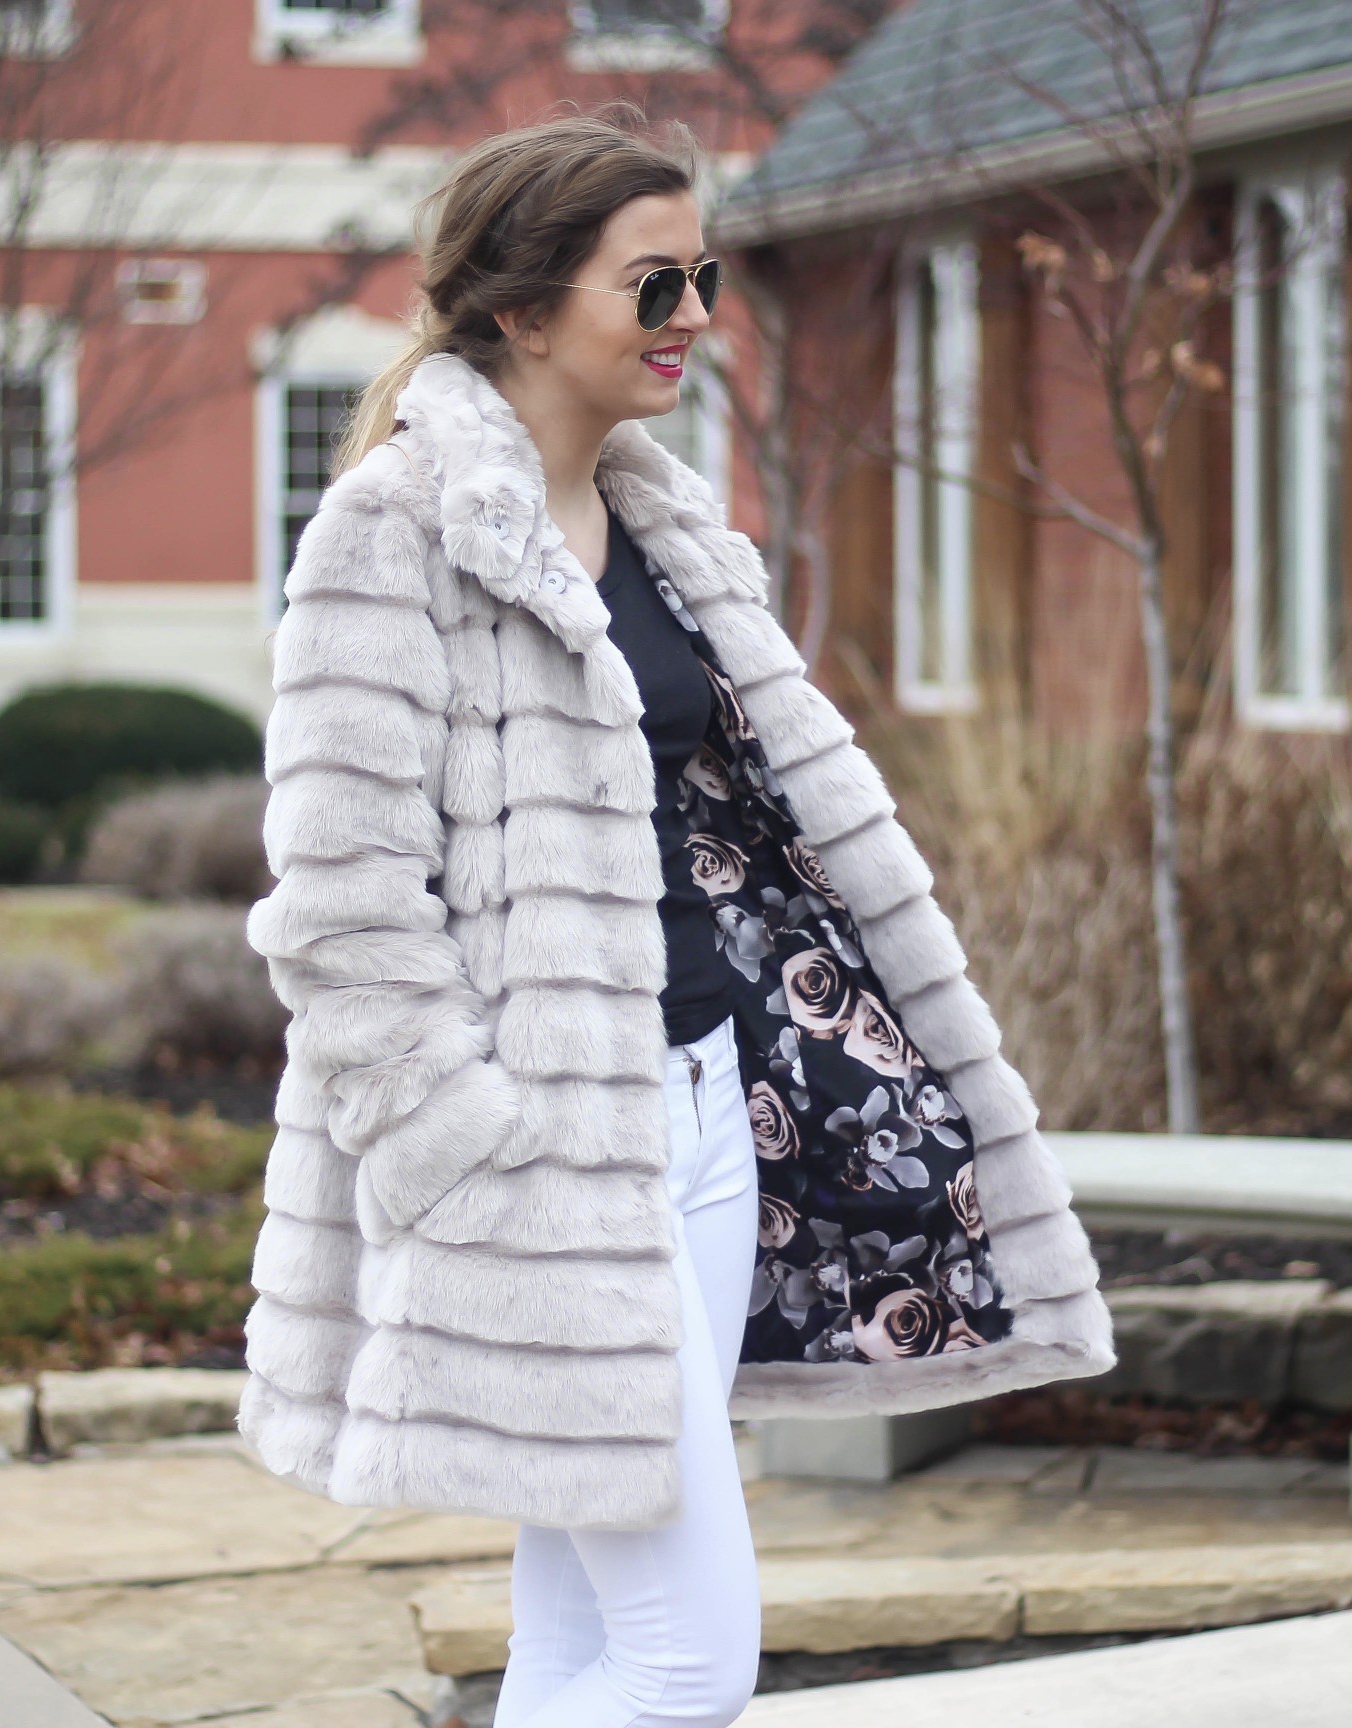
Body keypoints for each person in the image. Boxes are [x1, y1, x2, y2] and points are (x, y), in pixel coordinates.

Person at [239, 108, 1113, 1728]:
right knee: (688, 1659)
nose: (696, 315)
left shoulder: (664, 528)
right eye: (652, 286)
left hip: (708, 1111)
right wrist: (464, 1146)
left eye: (700, 276)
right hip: (545, 1154)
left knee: (579, 1629)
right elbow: (341, 905)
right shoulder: (391, 531)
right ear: (520, 309)